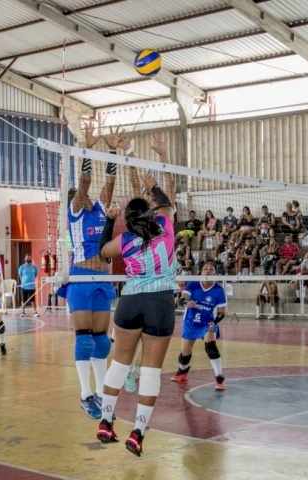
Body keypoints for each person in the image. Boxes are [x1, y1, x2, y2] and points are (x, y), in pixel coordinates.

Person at [95, 167, 177, 457]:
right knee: (151, 371)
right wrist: (153, 187)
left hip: (130, 303)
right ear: (152, 214)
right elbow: (166, 204)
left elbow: (103, 250)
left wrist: (109, 219)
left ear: (129, 221)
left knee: (118, 365)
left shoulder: (126, 240)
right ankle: (138, 432)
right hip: (160, 304)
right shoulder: (166, 228)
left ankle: (106, 421)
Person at [59, 125, 124, 419]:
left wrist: (111, 150)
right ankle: (84, 394)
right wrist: (86, 147)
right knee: (84, 340)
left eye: (84, 196)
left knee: (100, 341)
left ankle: (99, 392)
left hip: (103, 279)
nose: (84, 197)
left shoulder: (99, 208)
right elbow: (84, 182)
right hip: (81, 279)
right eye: (79, 196)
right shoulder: (76, 211)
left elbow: (109, 182)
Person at [169, 261, 228, 390]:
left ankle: (219, 377)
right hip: (190, 322)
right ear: (200, 271)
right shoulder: (193, 284)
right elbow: (182, 300)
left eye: (211, 269)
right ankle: (183, 371)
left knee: (210, 346)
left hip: (208, 323)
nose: (208, 271)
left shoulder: (219, 290)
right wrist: (186, 303)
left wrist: (215, 322)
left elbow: (222, 312)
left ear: (215, 273)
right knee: (184, 355)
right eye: (205, 269)